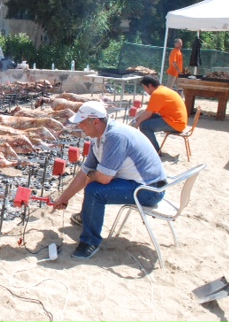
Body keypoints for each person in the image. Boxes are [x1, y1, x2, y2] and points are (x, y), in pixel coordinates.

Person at [51, 101, 166, 260]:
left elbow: (103, 178)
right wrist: (63, 199)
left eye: (82, 123)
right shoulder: (99, 137)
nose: (80, 127)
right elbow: (85, 172)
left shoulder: (114, 137)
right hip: (140, 182)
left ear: (96, 122)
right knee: (93, 180)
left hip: (150, 190)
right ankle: (87, 216)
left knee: (95, 190)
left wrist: (92, 176)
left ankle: (90, 242)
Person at [134, 75, 187, 153]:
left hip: (175, 123)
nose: (145, 90)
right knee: (144, 119)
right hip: (176, 120)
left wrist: (137, 124)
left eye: (144, 88)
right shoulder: (163, 90)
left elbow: (148, 113)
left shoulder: (157, 94)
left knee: (144, 126)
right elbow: (150, 112)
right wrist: (137, 118)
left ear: (150, 85)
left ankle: (154, 151)